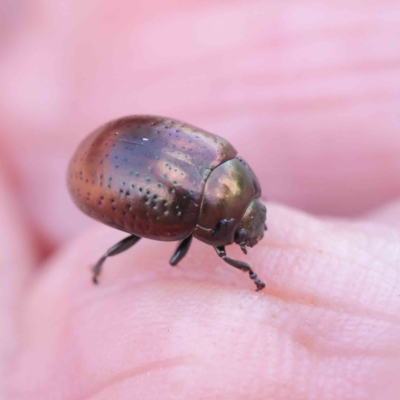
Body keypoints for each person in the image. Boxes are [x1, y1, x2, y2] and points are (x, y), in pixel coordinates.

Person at [1, 1, 399, 398]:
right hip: (98, 174)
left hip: (120, 146)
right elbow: (203, 255)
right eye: (243, 226)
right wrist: (247, 270)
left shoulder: (219, 158)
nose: (252, 235)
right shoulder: (183, 214)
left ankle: (101, 262)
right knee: (167, 254)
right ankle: (103, 260)